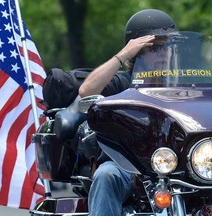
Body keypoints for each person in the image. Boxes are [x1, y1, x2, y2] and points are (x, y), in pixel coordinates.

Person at [79, 9, 178, 216]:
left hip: (178, 165)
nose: (162, 54)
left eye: (166, 47)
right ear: (137, 51)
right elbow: (86, 91)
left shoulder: (185, 84)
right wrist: (123, 55)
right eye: (153, 48)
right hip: (128, 168)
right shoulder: (123, 81)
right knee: (106, 175)